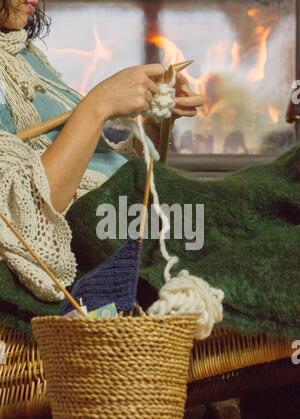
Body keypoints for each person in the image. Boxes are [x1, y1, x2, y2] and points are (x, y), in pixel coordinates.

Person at [0, 0, 203, 300]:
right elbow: (21, 215)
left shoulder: (27, 57)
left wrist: (153, 125)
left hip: (118, 214)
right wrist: (99, 104)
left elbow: (93, 163)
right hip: (100, 224)